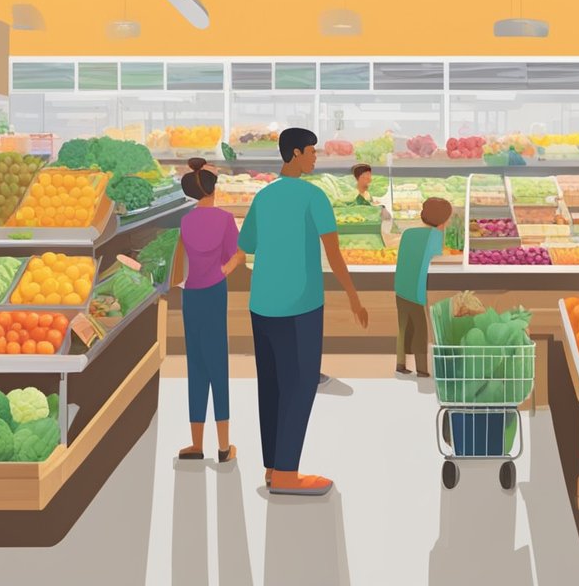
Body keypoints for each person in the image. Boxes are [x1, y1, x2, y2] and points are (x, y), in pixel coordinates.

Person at [238, 127, 369, 497]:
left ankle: (272, 467)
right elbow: (334, 253)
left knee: (272, 386)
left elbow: (246, 245)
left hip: (261, 304)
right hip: (300, 305)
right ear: (295, 153)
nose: (315, 157)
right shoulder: (314, 196)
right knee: (298, 386)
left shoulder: (263, 197)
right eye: (311, 151)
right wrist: (353, 295)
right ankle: (286, 475)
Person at [172, 159, 244, 464]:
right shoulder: (226, 219)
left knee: (196, 366)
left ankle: (196, 444)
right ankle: (224, 446)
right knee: (218, 366)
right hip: (215, 293)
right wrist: (223, 269)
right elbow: (238, 255)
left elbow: (181, 260)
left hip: (191, 296)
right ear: (214, 189)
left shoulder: (186, 222)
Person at [393, 197, 453, 377]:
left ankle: (400, 364)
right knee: (420, 328)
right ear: (443, 220)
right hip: (417, 288)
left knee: (403, 326)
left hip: (401, 286)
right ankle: (421, 369)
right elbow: (436, 260)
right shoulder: (435, 236)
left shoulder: (409, 233)